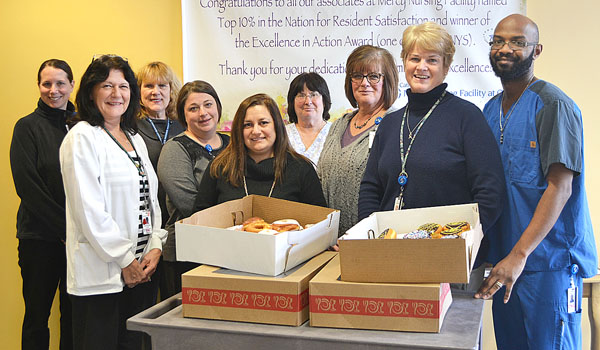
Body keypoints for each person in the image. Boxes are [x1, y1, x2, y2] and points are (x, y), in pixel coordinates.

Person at [474, 14, 597, 350]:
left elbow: (561, 187)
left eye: (517, 42)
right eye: (498, 40)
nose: (505, 48)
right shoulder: (489, 110)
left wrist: (520, 254)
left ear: (536, 50)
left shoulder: (554, 106)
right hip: (505, 264)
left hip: (546, 265)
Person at [59, 55, 167, 350]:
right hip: (102, 276)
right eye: (107, 85)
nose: (116, 94)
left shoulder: (134, 136)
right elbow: (89, 211)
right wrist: (124, 260)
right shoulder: (82, 137)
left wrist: (155, 244)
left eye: (123, 85)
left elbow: (149, 199)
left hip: (141, 269)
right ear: (91, 91)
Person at [10, 59, 75, 350]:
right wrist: (65, 229)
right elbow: (27, 187)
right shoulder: (27, 127)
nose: (53, 90)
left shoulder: (84, 126)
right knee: (38, 317)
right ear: (38, 86)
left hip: (81, 241)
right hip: (40, 239)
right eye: (46, 83)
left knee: (74, 316)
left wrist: (77, 233)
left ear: (72, 86)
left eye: (60, 83)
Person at [157, 80, 230, 298]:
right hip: (186, 253)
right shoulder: (175, 149)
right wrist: (235, 225)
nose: (203, 113)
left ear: (217, 107)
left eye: (208, 104)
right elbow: (189, 204)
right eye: (193, 108)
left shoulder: (233, 144)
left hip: (229, 250)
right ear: (183, 115)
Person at [317, 45, 399, 236]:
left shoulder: (395, 126)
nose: (364, 83)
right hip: (329, 242)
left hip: (370, 241)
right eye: (357, 75)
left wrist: (359, 236)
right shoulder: (338, 125)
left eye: (373, 76)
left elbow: (391, 192)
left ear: (388, 81)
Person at [193, 93, 326, 211]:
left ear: (277, 126)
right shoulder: (219, 168)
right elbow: (198, 220)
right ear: (239, 130)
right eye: (248, 125)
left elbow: (320, 224)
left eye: (263, 123)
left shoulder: (301, 169)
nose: (256, 131)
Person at [135, 61, 184, 302]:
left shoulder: (184, 126)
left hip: (176, 222)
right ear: (138, 91)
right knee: (143, 298)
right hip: (144, 224)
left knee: (173, 298)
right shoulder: (130, 127)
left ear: (172, 90)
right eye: (148, 86)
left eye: (162, 85)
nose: (156, 92)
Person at [285, 72, 332, 165]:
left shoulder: (336, 133)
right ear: (292, 101)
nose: (308, 101)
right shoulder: (282, 134)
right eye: (301, 95)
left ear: (324, 100)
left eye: (314, 95)